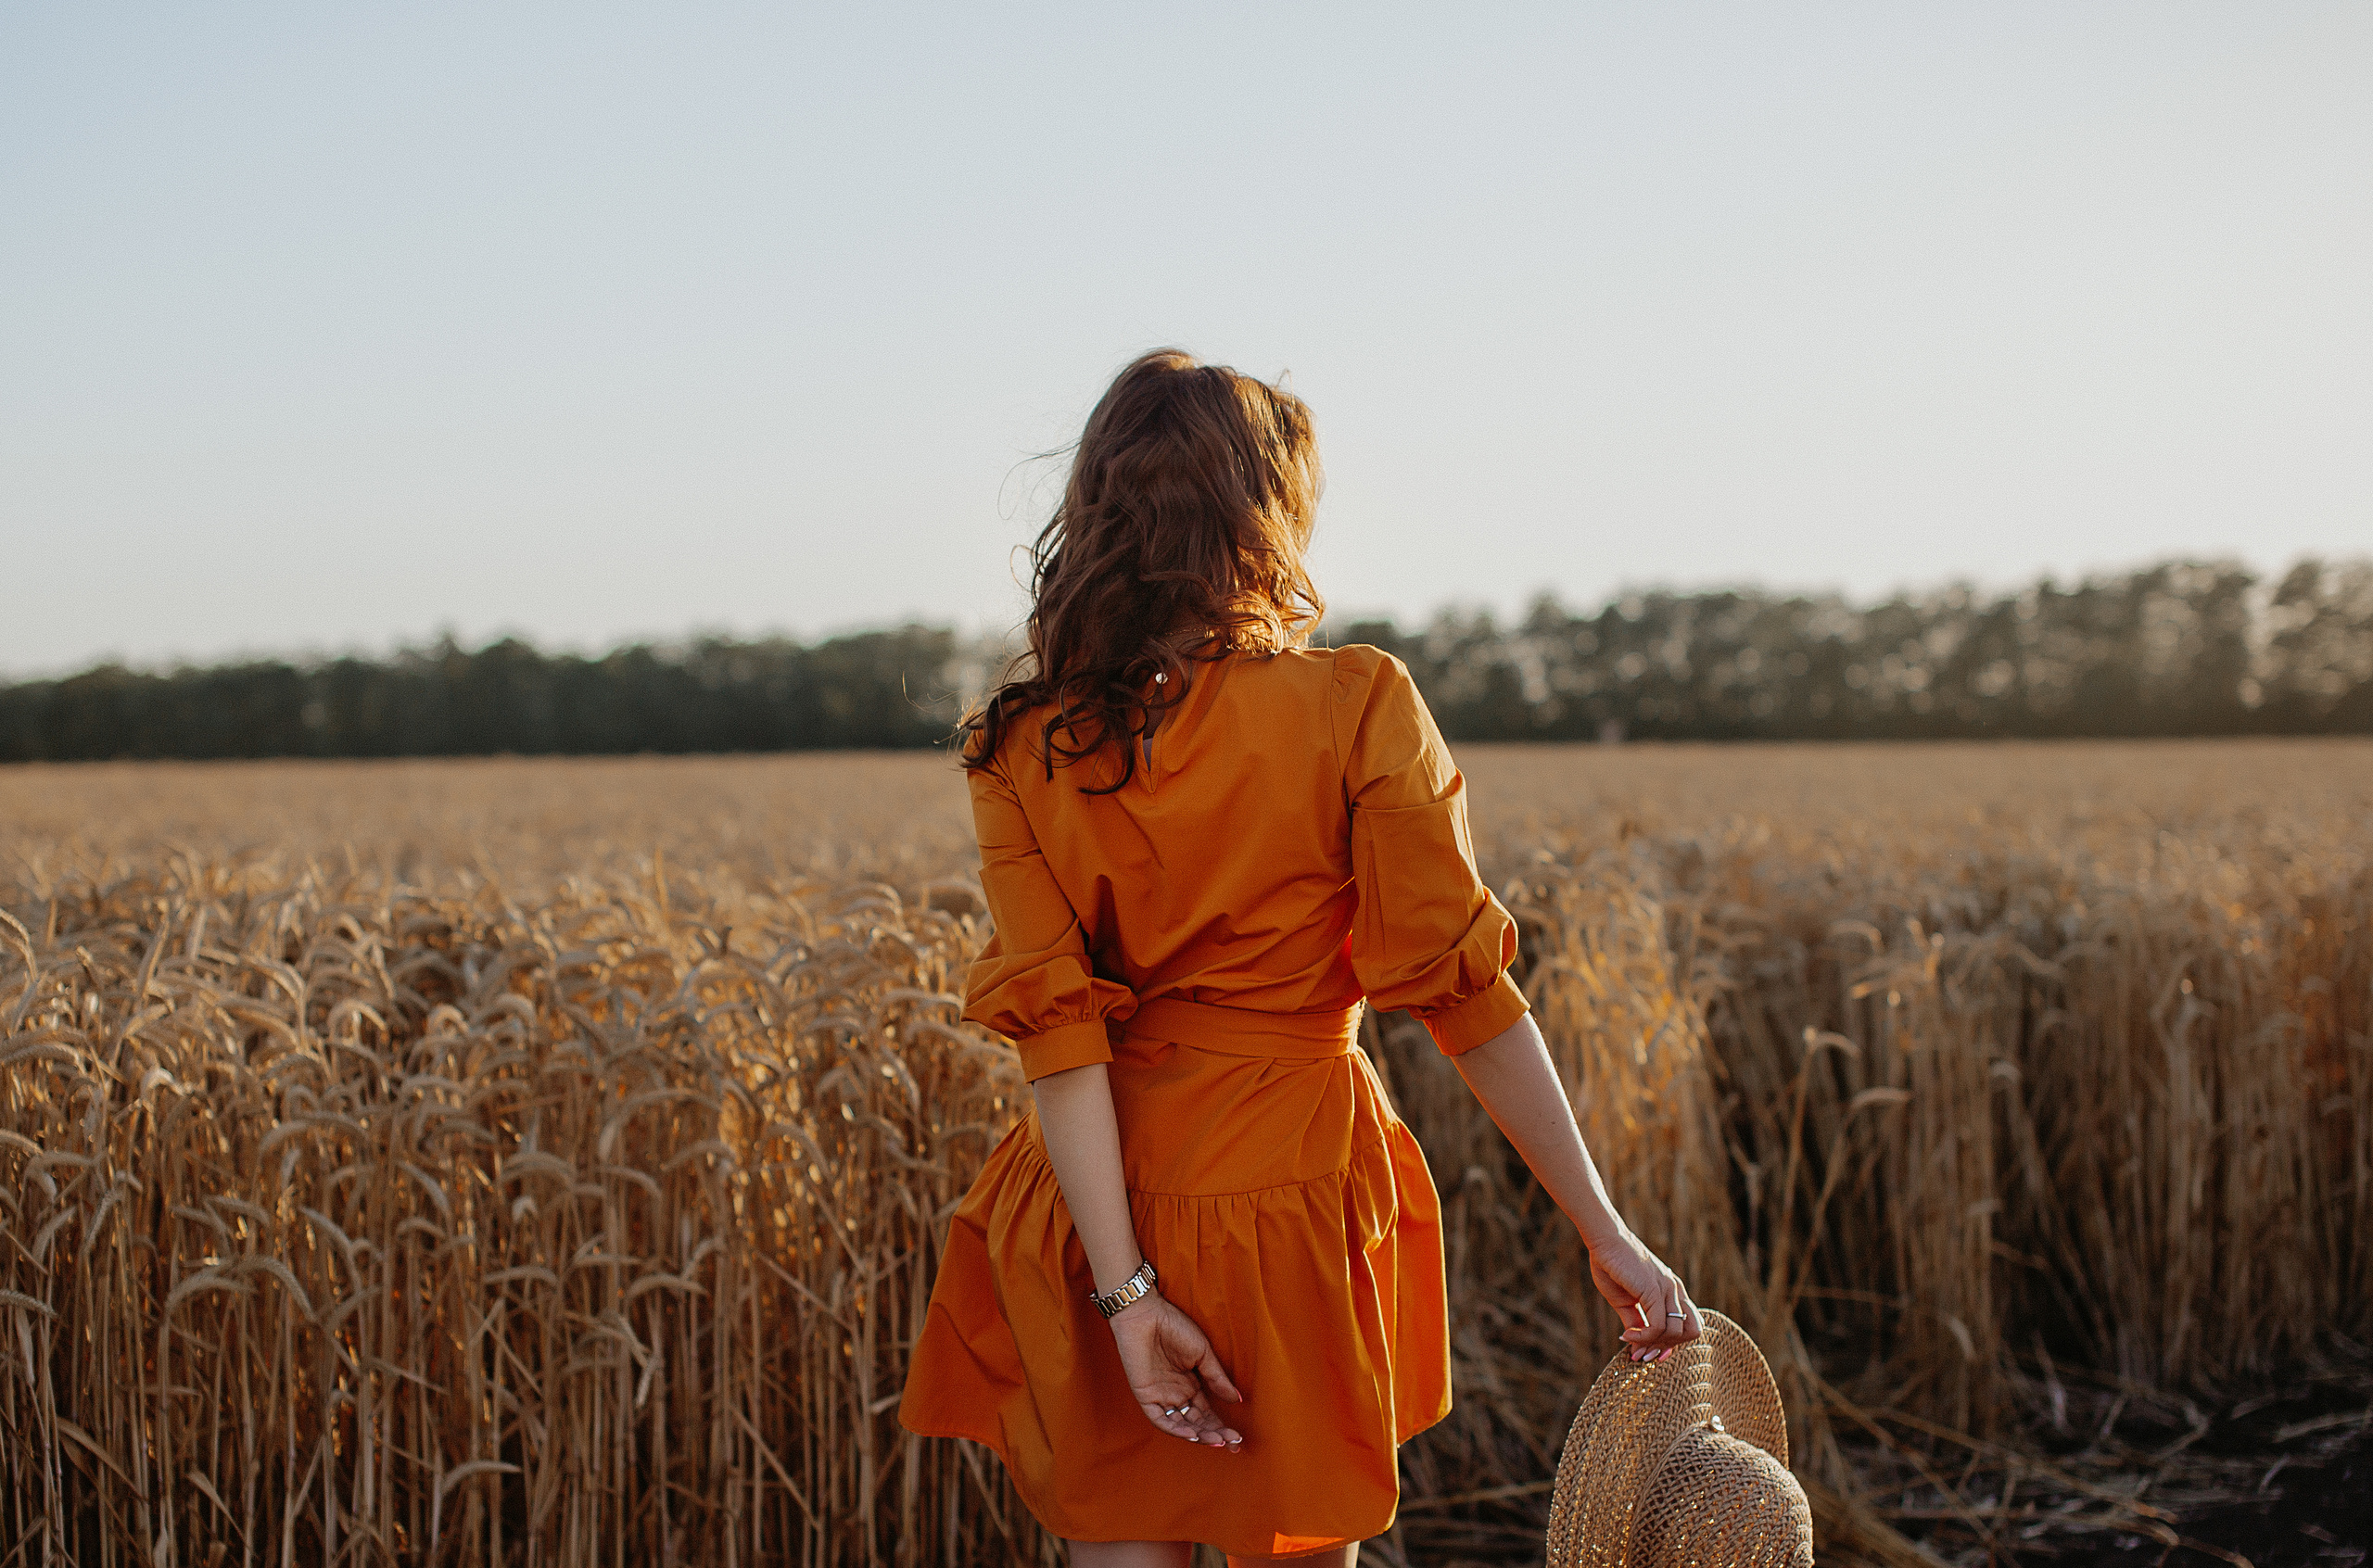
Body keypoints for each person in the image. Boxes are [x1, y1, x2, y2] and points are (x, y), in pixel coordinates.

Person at [897, 349, 1702, 1566]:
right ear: (1265, 509)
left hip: (1094, 1206)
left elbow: (1061, 1045)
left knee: (1119, 1545)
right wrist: (1604, 1229)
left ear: (1099, 510)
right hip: (1293, 1199)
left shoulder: (1021, 745)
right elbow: (1464, 995)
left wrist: (1125, 1295)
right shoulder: (1358, 703)